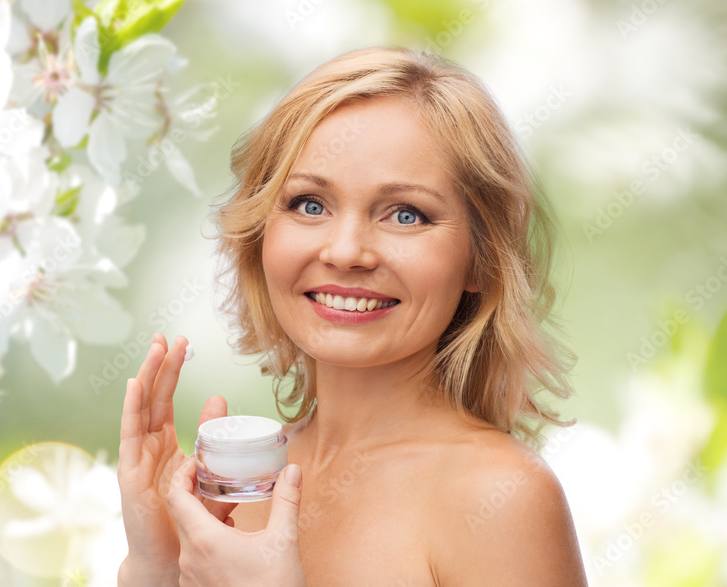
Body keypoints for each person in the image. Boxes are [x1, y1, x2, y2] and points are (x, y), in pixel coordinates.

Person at [117, 46, 589, 586]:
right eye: (310, 204)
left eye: (406, 214)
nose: (345, 252)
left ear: (480, 260)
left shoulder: (499, 496)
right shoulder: (233, 487)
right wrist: (155, 567)